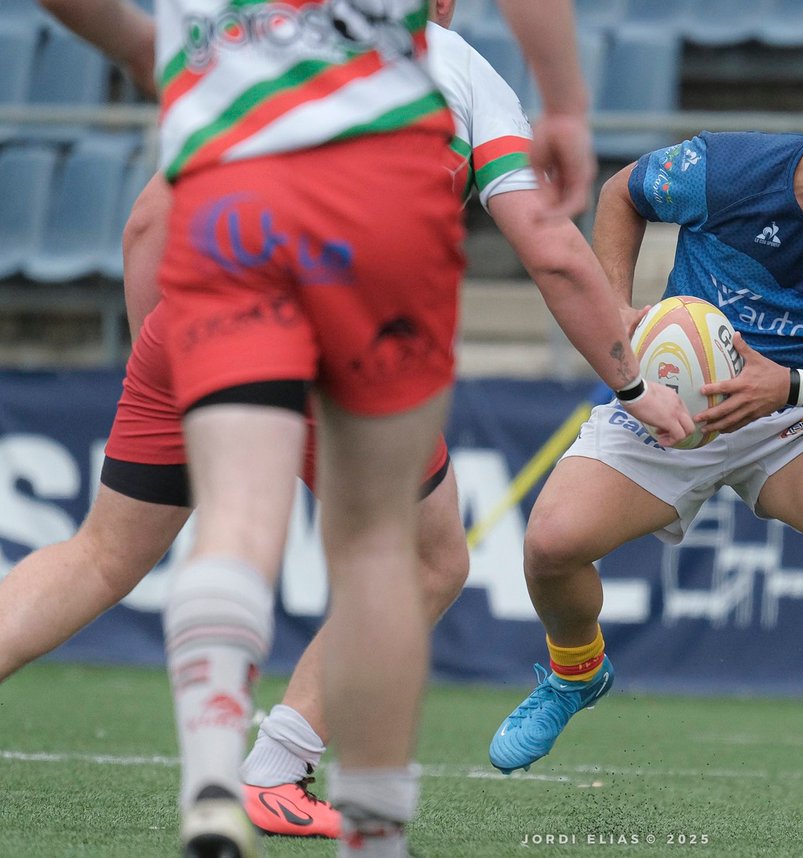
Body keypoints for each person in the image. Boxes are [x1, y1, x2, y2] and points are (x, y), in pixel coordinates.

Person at [8, 0, 691, 852]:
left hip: (197, 310)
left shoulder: (247, 34)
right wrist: (631, 384)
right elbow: (551, 252)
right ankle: (288, 778)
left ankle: (232, 769)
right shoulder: (448, 63)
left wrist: (166, 355)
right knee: (414, 558)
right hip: (341, 313)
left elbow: (148, 222)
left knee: (106, 554)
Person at [487, 28, 803, 826]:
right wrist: (616, 311)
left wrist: (791, 386)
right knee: (550, 546)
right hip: (675, 402)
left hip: (795, 414)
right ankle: (575, 674)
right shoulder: (728, 167)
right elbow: (622, 193)